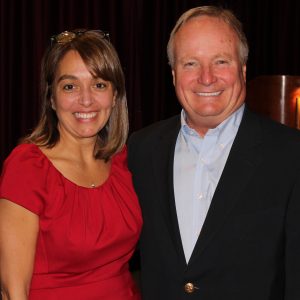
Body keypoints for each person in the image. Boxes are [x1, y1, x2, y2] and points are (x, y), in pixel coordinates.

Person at [128, 6, 300, 300]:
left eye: (221, 61)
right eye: (191, 63)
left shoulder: (291, 156)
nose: (207, 78)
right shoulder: (139, 150)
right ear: (173, 74)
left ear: (243, 70)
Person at [0, 29, 142, 300]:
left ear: (115, 96)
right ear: (52, 99)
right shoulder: (28, 167)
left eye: (99, 84)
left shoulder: (124, 160)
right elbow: (12, 290)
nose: (86, 99)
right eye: (70, 86)